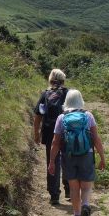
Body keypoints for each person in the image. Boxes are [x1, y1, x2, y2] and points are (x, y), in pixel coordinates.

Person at [48, 89, 106, 216]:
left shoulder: (61, 118)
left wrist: (51, 161)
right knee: (86, 188)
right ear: (81, 100)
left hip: (68, 156)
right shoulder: (88, 116)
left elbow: (55, 142)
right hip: (87, 154)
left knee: (74, 189)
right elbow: (96, 139)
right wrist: (102, 157)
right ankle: (86, 206)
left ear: (66, 101)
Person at [33, 69, 70, 205]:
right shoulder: (68, 93)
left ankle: (54, 195)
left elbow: (38, 116)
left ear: (50, 80)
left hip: (50, 132)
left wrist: (36, 133)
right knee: (67, 159)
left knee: (52, 161)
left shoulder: (45, 94)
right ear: (63, 80)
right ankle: (69, 189)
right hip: (67, 131)